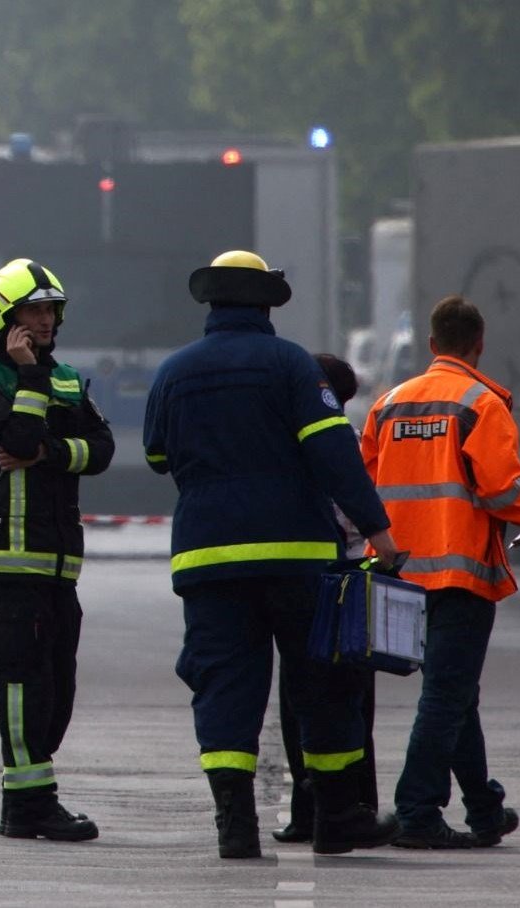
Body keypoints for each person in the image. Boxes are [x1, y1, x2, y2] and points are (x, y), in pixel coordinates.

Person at [143, 250, 401, 858]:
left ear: (212, 303)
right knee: (322, 684)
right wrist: (378, 531)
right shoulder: (291, 366)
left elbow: (158, 457)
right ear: (264, 303)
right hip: (296, 557)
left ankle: (235, 826)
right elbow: (333, 453)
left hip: (208, 560)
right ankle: (337, 819)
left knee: (224, 688)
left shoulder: (174, 372)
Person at [360, 294, 520, 849]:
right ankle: (417, 812)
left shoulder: (388, 404)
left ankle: (485, 809)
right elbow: (499, 487)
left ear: (432, 345)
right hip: (460, 576)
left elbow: (363, 482)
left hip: (396, 575)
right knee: (446, 693)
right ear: (478, 345)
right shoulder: (481, 404)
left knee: (456, 693)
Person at [0, 258, 115, 842]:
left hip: (61, 560)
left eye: (51, 309)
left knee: (59, 685)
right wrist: (29, 379)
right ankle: (27, 804)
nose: (45, 320)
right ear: (6, 316)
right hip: (15, 556)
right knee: (24, 682)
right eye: (33, 310)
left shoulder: (67, 377)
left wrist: (48, 453)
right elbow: (13, 438)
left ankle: (32, 793)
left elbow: (100, 450)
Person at [272, 353, 378, 844]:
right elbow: (357, 510)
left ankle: (304, 809)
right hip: (347, 573)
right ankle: (353, 806)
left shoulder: (278, 440)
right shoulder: (342, 440)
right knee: (348, 697)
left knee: (297, 695)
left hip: (297, 574)